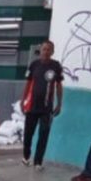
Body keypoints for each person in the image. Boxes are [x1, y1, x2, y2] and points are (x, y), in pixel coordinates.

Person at [21, 40, 63, 169]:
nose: (46, 52)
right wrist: (23, 101)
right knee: (28, 133)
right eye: (44, 49)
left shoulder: (56, 66)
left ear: (52, 52)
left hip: (46, 108)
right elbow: (28, 84)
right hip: (32, 106)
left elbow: (59, 86)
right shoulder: (34, 65)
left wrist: (59, 104)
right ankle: (26, 156)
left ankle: (38, 162)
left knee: (43, 135)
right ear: (41, 51)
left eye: (48, 50)